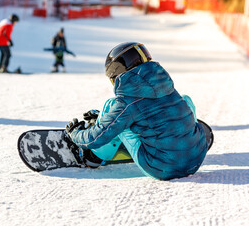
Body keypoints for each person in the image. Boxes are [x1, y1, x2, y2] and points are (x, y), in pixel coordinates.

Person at [65, 42, 209, 180]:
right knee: (185, 99)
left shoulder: (126, 103)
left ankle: (95, 157)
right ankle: (186, 136)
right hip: (195, 161)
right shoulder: (167, 86)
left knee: (112, 107)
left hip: (161, 168)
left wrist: (75, 133)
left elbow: (95, 138)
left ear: (118, 74)